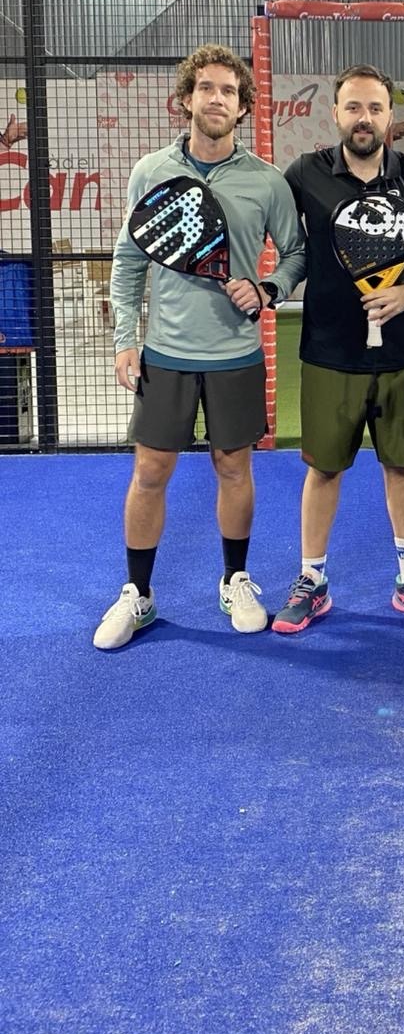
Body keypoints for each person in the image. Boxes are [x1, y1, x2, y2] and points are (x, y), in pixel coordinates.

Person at [93, 44, 306, 650]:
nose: (217, 99)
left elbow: (296, 254)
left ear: (243, 107)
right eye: (206, 88)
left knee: (234, 468)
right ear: (186, 99)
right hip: (165, 355)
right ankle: (138, 594)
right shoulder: (151, 171)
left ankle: (235, 579)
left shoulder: (266, 181)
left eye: (229, 91)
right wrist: (126, 340)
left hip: (237, 356)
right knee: (149, 471)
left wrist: (267, 289)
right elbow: (129, 260)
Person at [272, 64, 404, 634]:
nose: (364, 118)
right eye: (354, 107)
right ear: (335, 114)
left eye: (375, 108)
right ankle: (312, 580)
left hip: (402, 356)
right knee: (324, 470)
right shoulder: (304, 175)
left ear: (389, 116)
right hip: (329, 353)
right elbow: (278, 238)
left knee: (401, 466)